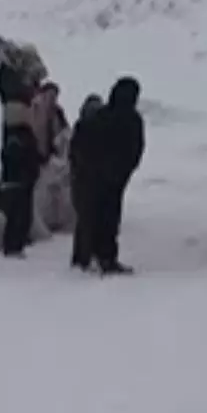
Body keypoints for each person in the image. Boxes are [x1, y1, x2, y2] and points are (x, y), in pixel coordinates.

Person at [72, 77, 144, 274]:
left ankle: (83, 258)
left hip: (90, 177)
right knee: (109, 220)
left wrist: (82, 168)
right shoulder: (133, 120)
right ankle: (105, 259)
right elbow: (135, 151)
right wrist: (123, 173)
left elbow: (79, 145)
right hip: (113, 180)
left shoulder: (98, 117)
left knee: (87, 217)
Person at [0, 42, 45, 257]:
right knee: (19, 193)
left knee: (21, 192)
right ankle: (14, 241)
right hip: (18, 140)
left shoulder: (11, 85)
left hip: (18, 139)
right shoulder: (11, 86)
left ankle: (18, 238)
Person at [68, 93, 104, 270]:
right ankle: (87, 255)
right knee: (91, 219)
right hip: (90, 179)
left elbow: (73, 155)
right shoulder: (98, 129)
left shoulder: (79, 128)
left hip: (79, 178)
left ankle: (80, 256)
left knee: (83, 220)